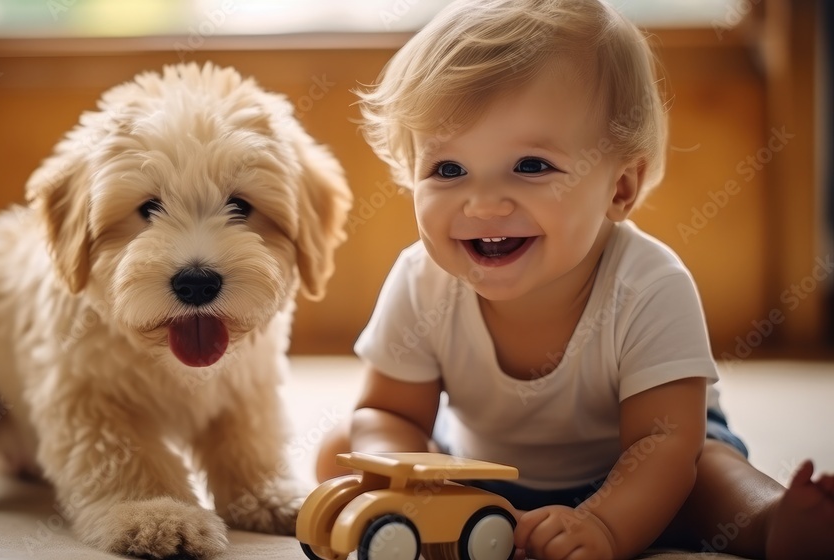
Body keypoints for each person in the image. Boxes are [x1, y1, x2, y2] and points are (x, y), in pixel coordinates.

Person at [314, 0, 834, 558]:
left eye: (532, 166)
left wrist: (605, 526)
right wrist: (420, 487)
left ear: (619, 189)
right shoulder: (422, 281)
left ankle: (774, 520)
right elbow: (389, 411)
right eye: (448, 169)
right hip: (480, 474)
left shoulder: (650, 284)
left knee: (710, 472)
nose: (485, 203)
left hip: (642, 474)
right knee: (344, 446)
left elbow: (663, 442)